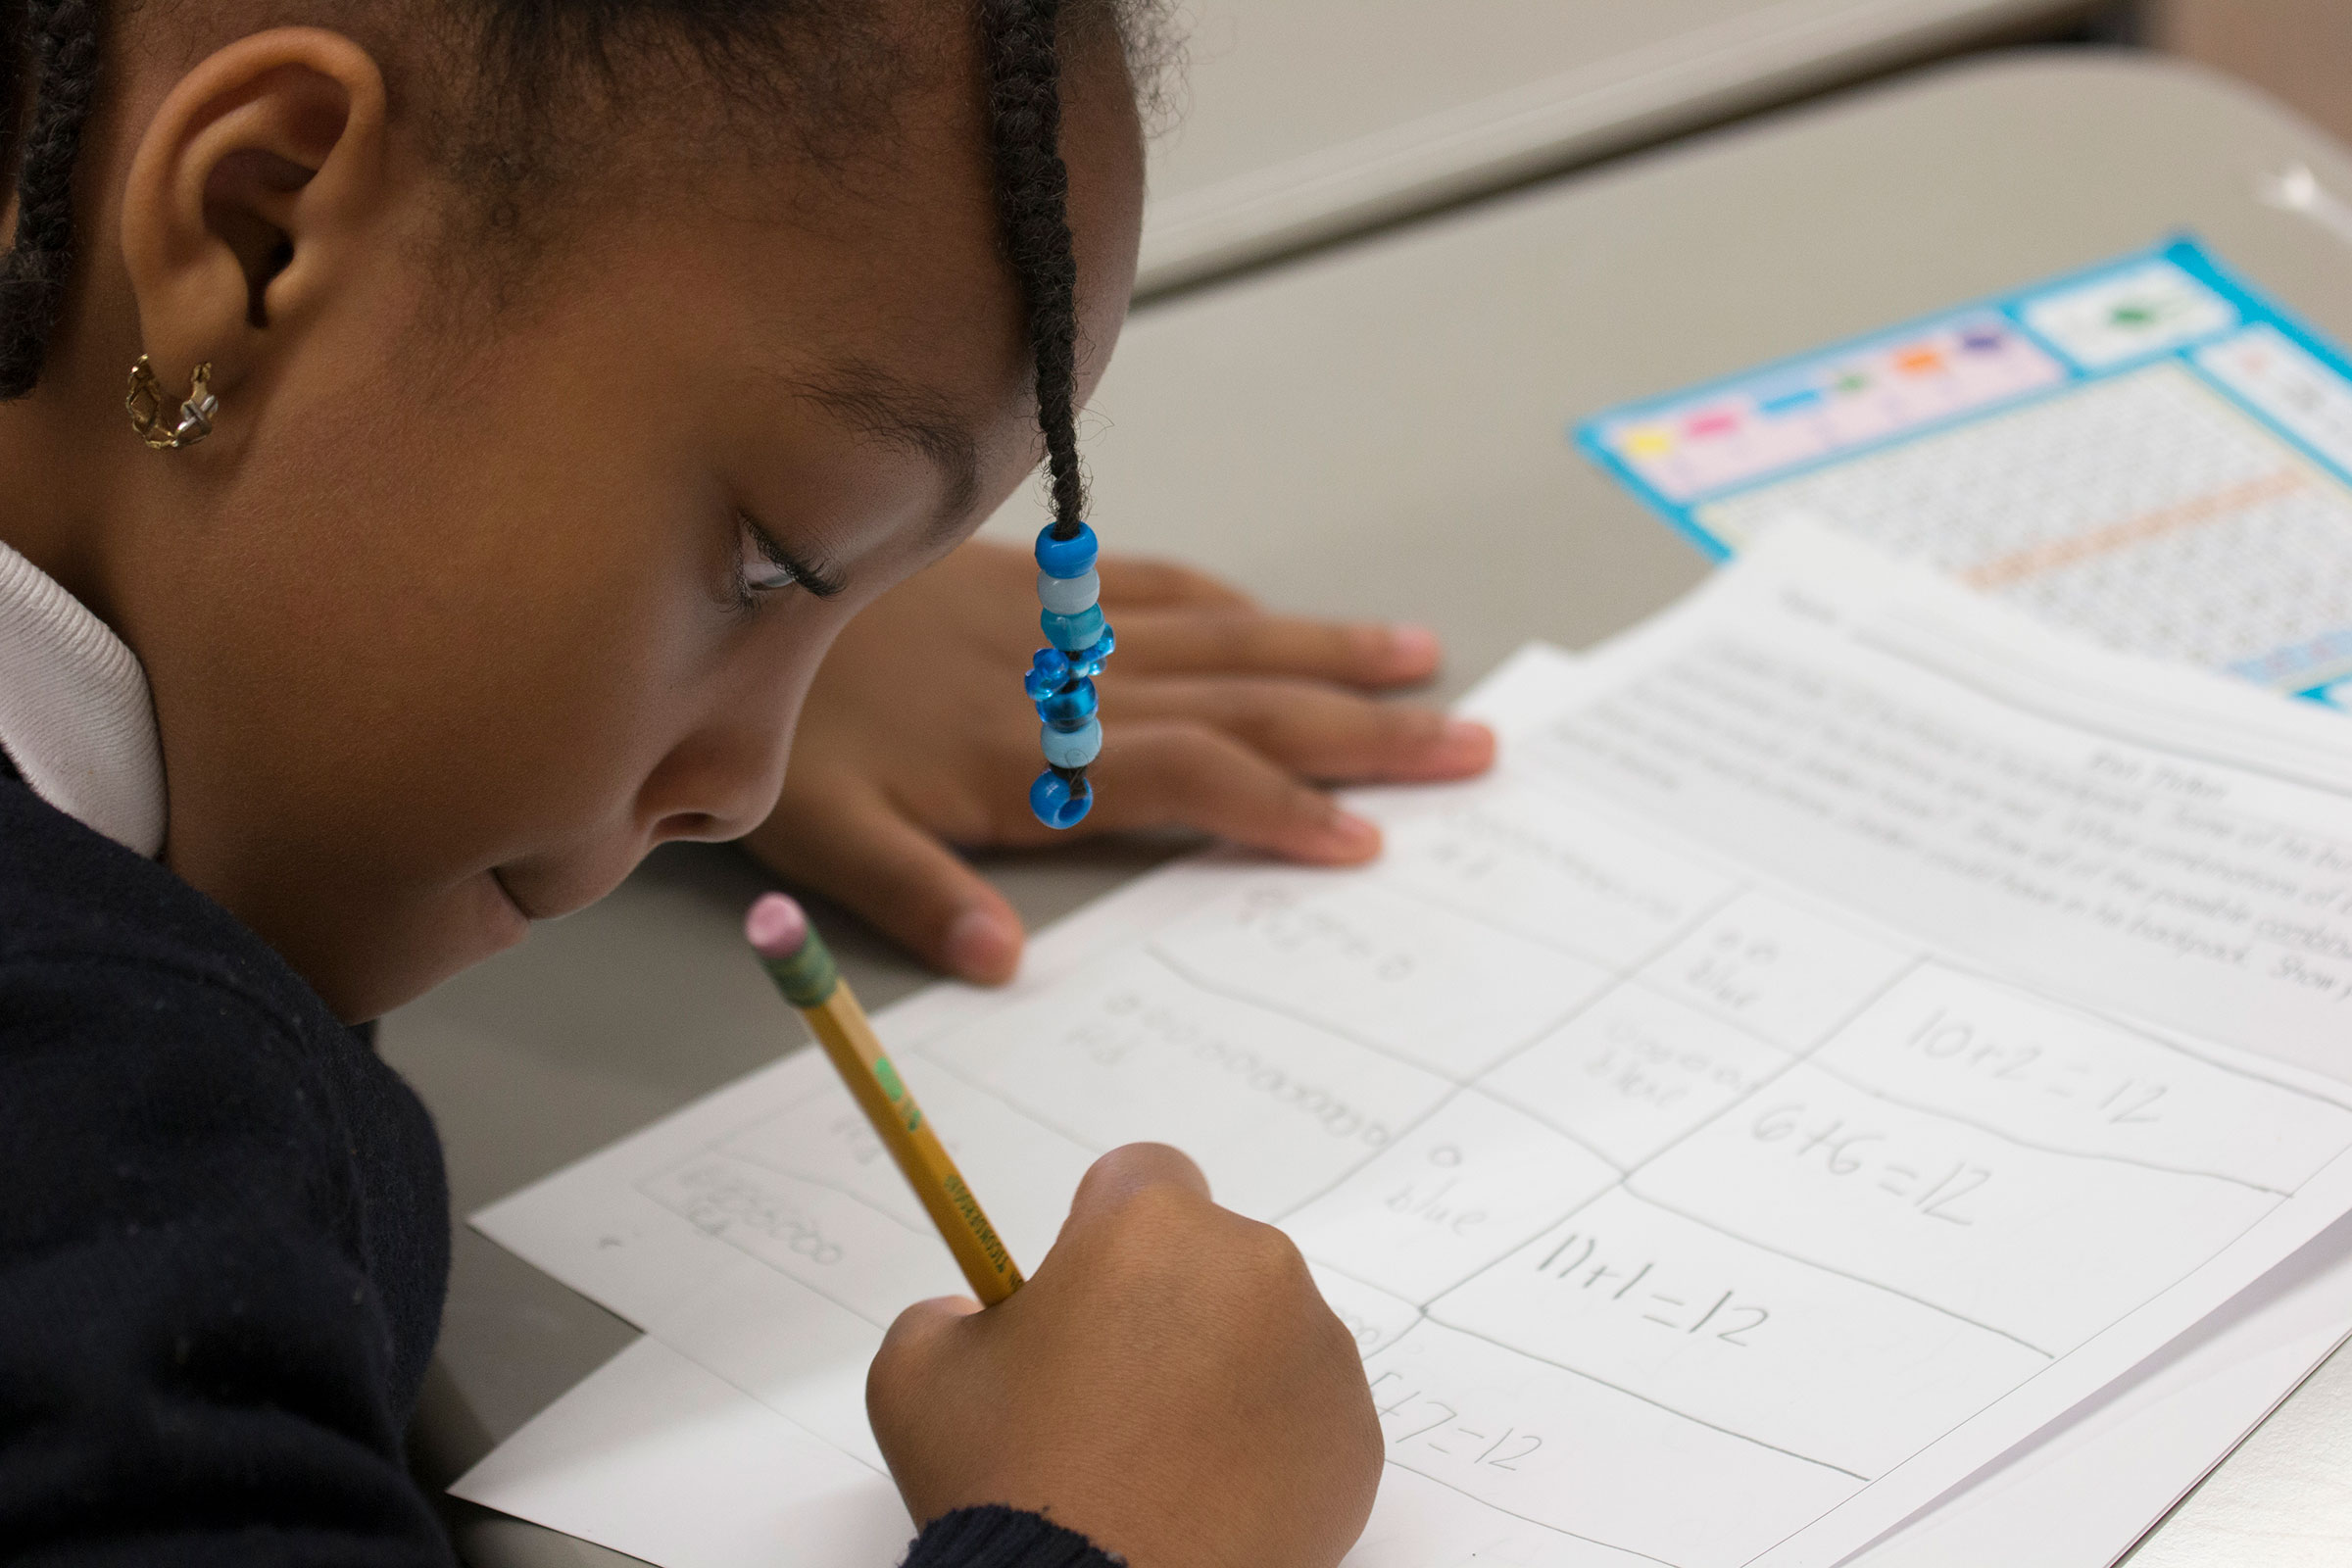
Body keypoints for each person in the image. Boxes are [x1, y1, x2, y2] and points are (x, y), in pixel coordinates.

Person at [0, 1, 1498, 1564]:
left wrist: (752, 613)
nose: (745, 778)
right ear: (260, 233)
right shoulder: (90, 1138)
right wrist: (1118, 1532)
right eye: (772, 563)